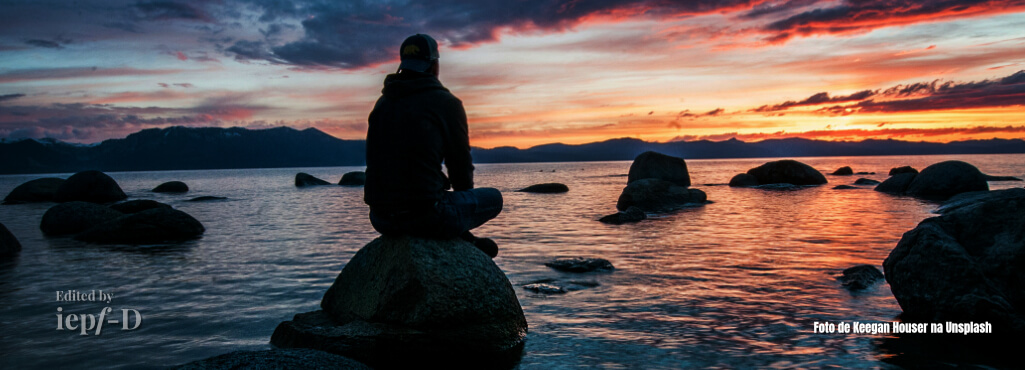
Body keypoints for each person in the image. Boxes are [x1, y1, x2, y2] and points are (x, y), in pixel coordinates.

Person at [364, 33, 503, 258]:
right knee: (494, 198)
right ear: (434, 65)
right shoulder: (446, 103)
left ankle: (462, 236)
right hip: (426, 216)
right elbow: (459, 167)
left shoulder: (382, 104)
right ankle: (463, 238)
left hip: (380, 218)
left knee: (437, 191)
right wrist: (459, 207)